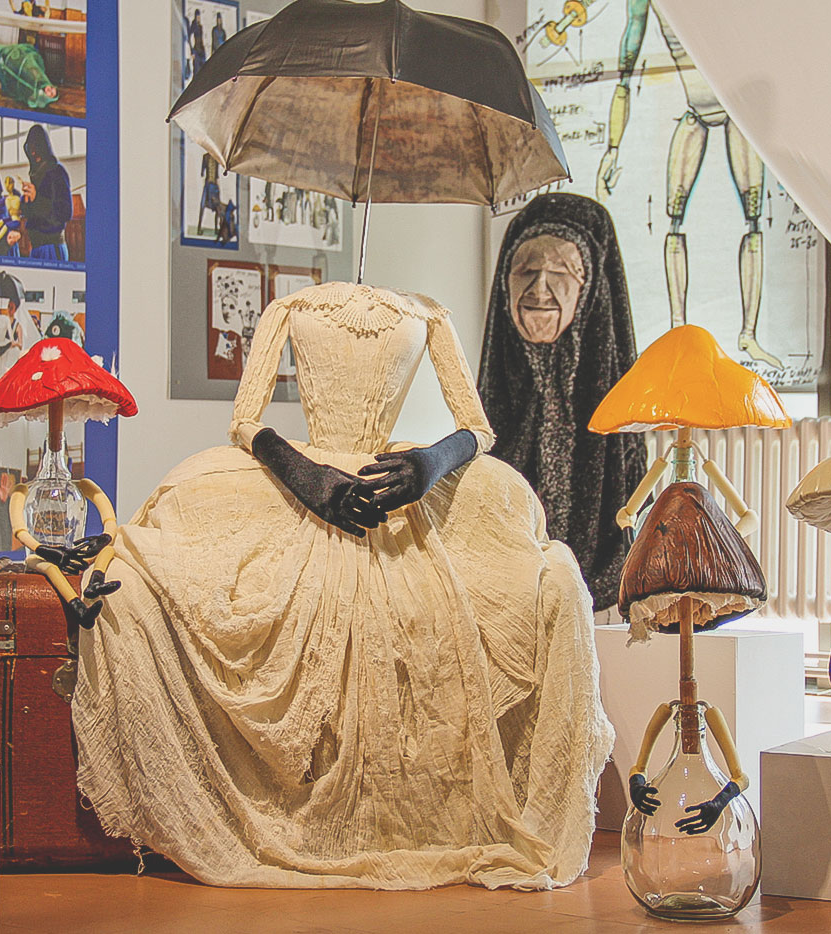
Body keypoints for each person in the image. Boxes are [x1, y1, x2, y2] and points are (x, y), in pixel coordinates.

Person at [73, 281, 613, 889]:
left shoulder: (428, 312)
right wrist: (305, 476)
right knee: (158, 569)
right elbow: (245, 420)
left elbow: (478, 429)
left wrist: (429, 465)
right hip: (312, 474)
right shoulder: (292, 306)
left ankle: (426, 813)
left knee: (543, 576)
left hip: (391, 478)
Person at [478, 193, 647, 614]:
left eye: (560, 273)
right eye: (526, 270)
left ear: (587, 290)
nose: (539, 289)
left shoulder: (602, 401)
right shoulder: (501, 397)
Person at [595, 0, 780, 369]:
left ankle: (748, 335)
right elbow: (624, 76)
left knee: (752, 220)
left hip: (738, 115)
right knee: (675, 221)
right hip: (695, 113)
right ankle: (678, 328)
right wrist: (612, 149)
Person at [20, 125, 72, 262]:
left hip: (52, 248)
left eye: (36, 148)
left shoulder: (57, 171)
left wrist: (36, 198)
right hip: (37, 247)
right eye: (31, 149)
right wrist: (25, 201)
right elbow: (33, 215)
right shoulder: (36, 175)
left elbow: (65, 213)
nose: (33, 153)